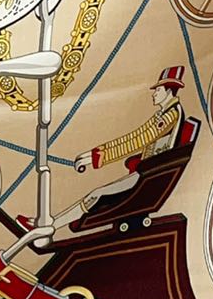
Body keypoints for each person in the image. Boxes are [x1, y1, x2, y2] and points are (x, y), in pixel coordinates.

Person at [53, 65, 188, 232]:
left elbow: (138, 140)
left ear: (168, 91)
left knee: (96, 195)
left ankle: (50, 227)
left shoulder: (170, 115)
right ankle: (50, 225)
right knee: (96, 194)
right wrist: (94, 154)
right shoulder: (165, 113)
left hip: (149, 176)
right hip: (146, 172)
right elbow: (135, 136)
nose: (154, 94)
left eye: (158, 90)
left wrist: (96, 157)